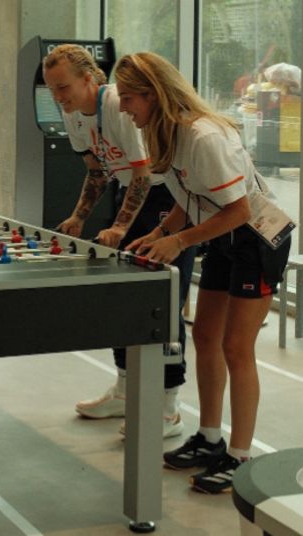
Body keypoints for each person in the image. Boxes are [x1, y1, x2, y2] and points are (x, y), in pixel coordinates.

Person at [114, 51, 291, 494]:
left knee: (236, 347)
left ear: (154, 95)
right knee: (205, 337)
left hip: (255, 238)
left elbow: (238, 210)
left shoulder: (205, 136)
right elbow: (188, 197)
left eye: (128, 97)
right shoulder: (165, 133)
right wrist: (159, 232)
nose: (122, 108)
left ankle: (240, 457)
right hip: (222, 236)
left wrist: (179, 242)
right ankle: (210, 438)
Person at [42, 44, 196, 438]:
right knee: (121, 295)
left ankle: (168, 406)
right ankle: (126, 391)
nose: (59, 98)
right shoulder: (73, 113)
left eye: (64, 88)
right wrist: (79, 216)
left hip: (166, 198)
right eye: (53, 90)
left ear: (89, 79)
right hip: (131, 196)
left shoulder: (117, 106)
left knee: (165, 299)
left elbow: (144, 175)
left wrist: (120, 229)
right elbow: (97, 172)